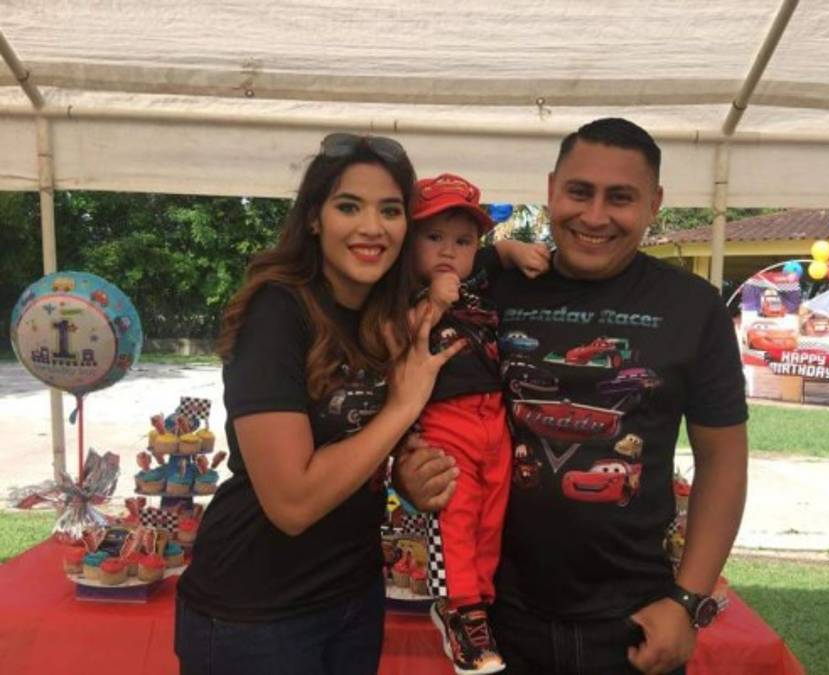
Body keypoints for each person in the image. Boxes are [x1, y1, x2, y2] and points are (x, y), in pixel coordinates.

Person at [395, 118, 749, 675]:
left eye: (621, 197)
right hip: (500, 617)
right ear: (551, 189)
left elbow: (723, 458)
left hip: (636, 621)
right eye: (579, 192)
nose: (594, 215)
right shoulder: (486, 287)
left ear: (655, 203)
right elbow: (411, 386)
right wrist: (408, 470)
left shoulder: (693, 306)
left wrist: (688, 600)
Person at [175, 133, 464, 675]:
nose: (372, 227)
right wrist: (401, 407)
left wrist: (406, 476)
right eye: (349, 206)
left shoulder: (388, 315)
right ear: (314, 218)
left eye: (390, 210)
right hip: (256, 613)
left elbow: (361, 450)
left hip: (353, 595)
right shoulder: (277, 312)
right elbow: (293, 503)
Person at [405, 173, 549, 674]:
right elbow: (396, 339)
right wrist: (435, 301)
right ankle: (458, 608)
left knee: (492, 516)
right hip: (444, 419)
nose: (449, 250)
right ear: (408, 241)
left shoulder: (477, 273)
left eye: (463, 241)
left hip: (495, 417)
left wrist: (514, 251)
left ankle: (478, 607)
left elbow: (496, 253)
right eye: (434, 237)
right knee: (456, 515)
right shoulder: (402, 288)